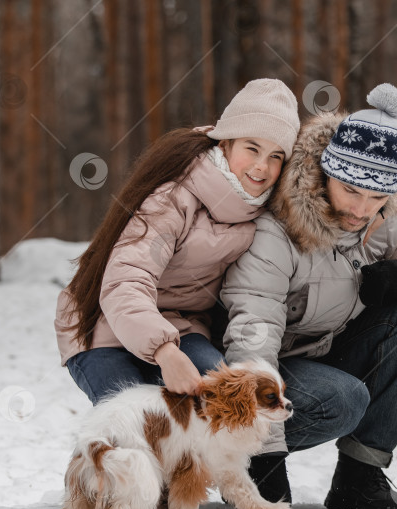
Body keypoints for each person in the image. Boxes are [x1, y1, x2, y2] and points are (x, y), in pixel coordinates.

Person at [220, 83, 397, 509]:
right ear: (325, 173)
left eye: (377, 197)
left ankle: (360, 474)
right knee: (344, 400)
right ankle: (230, 456)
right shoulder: (276, 230)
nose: (361, 210)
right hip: (274, 364)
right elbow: (253, 332)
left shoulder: (388, 214)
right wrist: (264, 456)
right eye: (351, 191)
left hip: (333, 343)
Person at [54, 78, 300, 404]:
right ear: (225, 143)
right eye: (252, 148)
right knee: (134, 419)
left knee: (216, 403)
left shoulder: (266, 213)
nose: (261, 166)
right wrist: (165, 353)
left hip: (182, 328)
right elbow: (125, 281)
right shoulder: (172, 198)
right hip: (103, 326)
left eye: (276, 156)